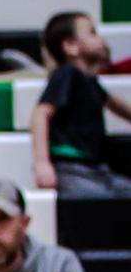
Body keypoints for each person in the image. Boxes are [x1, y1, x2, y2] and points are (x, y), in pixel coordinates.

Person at [30, 11, 131, 199]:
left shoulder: (89, 81)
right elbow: (41, 114)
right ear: (71, 46)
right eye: (92, 33)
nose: (100, 40)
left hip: (96, 168)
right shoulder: (67, 74)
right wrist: (42, 163)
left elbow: (116, 105)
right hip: (71, 168)